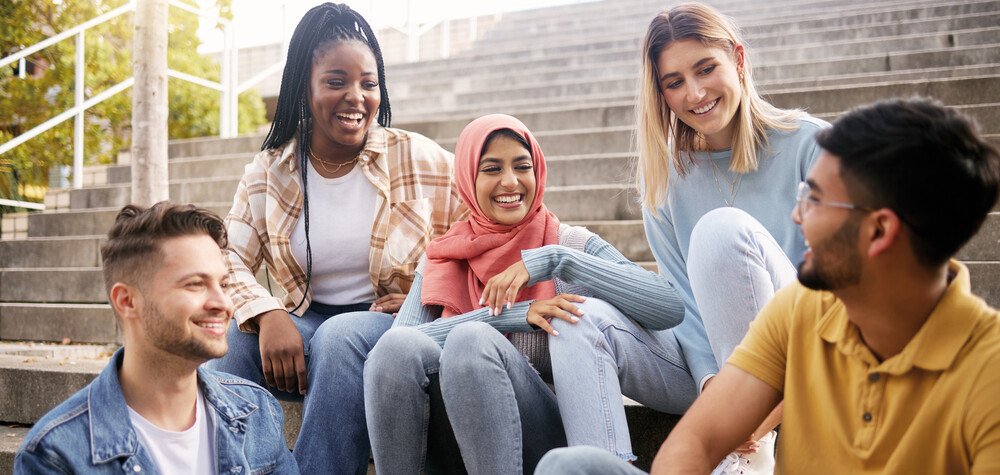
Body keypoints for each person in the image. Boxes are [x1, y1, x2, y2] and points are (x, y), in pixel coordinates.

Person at [538, 98, 1000, 474]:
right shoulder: (798, 310)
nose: (797, 216)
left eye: (814, 199)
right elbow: (696, 442)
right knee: (570, 467)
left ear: (879, 230)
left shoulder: (986, 373)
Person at [542, 3, 826, 470]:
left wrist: (754, 409)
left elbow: (835, 297)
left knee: (721, 229)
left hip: (801, 357)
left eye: (705, 69)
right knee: (578, 317)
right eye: (674, 82)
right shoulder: (666, 179)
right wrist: (713, 383)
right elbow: (684, 306)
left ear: (737, 58)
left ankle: (746, 463)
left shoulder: (813, 146)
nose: (694, 93)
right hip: (707, 371)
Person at [205, 3, 464, 473]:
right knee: (225, 346)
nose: (356, 96)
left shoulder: (420, 158)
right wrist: (266, 313)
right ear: (304, 89)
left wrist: (426, 294)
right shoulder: (270, 171)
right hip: (307, 324)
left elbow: (481, 235)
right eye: (336, 81)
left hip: (394, 328)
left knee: (341, 338)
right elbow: (224, 258)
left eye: (368, 83)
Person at [363, 114, 689, 474]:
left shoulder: (567, 245)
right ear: (467, 180)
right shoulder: (445, 256)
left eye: (522, 166)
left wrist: (557, 261)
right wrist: (515, 313)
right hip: (456, 438)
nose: (510, 181)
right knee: (401, 349)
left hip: (546, 440)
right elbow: (399, 344)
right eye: (491, 169)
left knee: (472, 341)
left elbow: (668, 306)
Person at [14, 202, 298, 474]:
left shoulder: (255, 411)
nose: (223, 303)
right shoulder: (56, 454)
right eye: (196, 284)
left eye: (223, 284)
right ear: (127, 301)